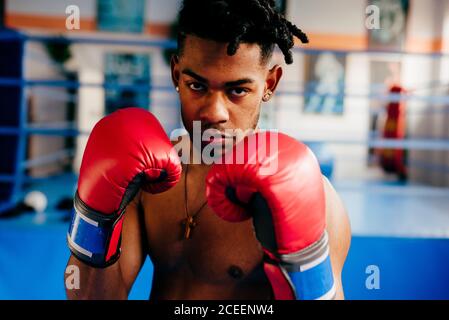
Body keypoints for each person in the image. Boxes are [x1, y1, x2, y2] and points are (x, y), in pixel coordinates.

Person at [65, 0, 351, 300]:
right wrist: (94, 219)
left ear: (270, 83)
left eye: (237, 90)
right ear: (177, 74)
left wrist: (303, 261)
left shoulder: (312, 197)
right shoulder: (146, 179)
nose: (215, 113)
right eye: (197, 86)